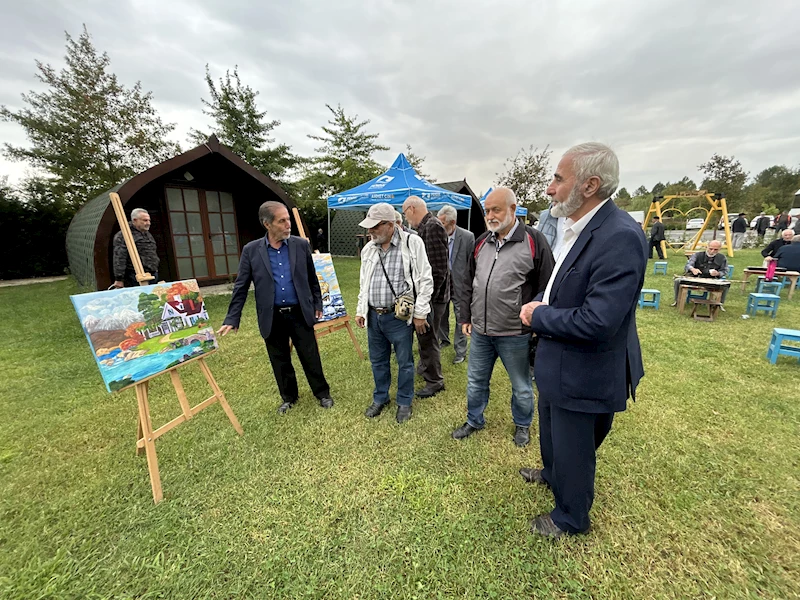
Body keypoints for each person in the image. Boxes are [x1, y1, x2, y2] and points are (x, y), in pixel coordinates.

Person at [518, 142, 647, 538]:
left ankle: (570, 517)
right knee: (554, 431)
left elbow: (599, 320)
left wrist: (540, 314)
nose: (549, 188)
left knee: (576, 446)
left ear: (590, 184)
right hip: (561, 361)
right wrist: (545, 300)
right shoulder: (578, 228)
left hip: (585, 370)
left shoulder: (619, 235)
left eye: (558, 178)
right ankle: (552, 473)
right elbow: (567, 287)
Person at [451, 187, 555, 447]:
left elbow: (549, 285)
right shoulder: (481, 242)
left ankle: (522, 425)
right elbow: (467, 282)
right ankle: (474, 419)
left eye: (495, 209)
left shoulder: (534, 240)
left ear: (512, 209)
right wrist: (465, 316)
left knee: (521, 386)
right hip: (481, 331)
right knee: (475, 381)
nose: (490, 216)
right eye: (487, 211)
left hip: (515, 333)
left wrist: (535, 316)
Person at [218, 201, 334, 414]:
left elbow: (311, 279)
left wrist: (317, 303)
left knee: (310, 356)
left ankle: (322, 394)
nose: (288, 224)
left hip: (300, 312)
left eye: (288, 219)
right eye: (282, 221)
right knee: (280, 360)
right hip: (272, 316)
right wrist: (232, 318)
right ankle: (289, 397)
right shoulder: (251, 251)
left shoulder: (300, 245)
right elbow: (241, 287)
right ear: (267, 224)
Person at [355, 203, 433, 423]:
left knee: (405, 361)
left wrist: (420, 313)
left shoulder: (412, 243)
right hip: (373, 315)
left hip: (399, 316)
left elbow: (426, 279)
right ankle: (381, 398)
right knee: (378, 361)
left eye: (375, 227)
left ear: (390, 225)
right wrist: (361, 309)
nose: (370, 231)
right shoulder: (368, 249)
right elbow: (364, 283)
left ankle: (404, 401)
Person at [402, 196, 449, 398]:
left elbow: (438, 269)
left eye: (404, 213)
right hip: (430, 295)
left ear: (411, 208)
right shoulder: (425, 227)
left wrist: (428, 299)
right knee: (425, 338)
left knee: (428, 338)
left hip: (433, 296)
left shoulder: (432, 227)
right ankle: (425, 369)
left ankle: (435, 381)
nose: (405, 219)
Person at [436, 205, 475, 364]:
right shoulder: (438, 234)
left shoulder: (467, 237)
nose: (440, 226)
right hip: (442, 281)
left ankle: (460, 351)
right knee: (441, 312)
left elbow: (472, 263)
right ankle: (443, 339)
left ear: (453, 222)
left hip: (460, 282)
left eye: (443, 223)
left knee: (461, 316)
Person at [670, 240, 728, 305]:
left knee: (725, 285)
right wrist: (692, 269)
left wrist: (718, 273)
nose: (712, 251)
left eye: (715, 250)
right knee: (677, 281)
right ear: (707, 247)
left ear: (719, 249)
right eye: (711, 249)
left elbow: (724, 271)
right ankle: (677, 301)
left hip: (712, 280)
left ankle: (720, 303)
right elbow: (688, 265)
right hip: (694, 278)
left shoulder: (722, 258)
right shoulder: (697, 255)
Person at [112, 208, 159, 288]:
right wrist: (119, 278)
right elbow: (119, 257)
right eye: (145, 220)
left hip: (152, 274)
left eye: (149, 220)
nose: (148, 223)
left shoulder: (147, 234)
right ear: (135, 220)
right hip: (134, 276)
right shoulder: (124, 235)